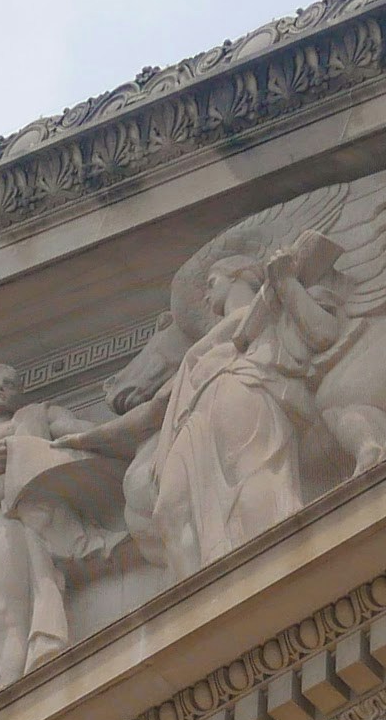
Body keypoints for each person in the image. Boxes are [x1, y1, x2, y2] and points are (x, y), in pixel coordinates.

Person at [0, 361, 143, 695]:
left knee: (4, 614)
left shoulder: (34, 416)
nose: (0, 386)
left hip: (5, 516)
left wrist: (132, 435)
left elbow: (80, 432)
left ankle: (12, 698)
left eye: (10, 382)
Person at [140, 237, 361, 577]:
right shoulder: (232, 326)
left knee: (256, 491)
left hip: (244, 391)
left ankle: (282, 576)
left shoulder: (272, 306)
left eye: (212, 282)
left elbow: (325, 334)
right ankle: (198, 605)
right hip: (196, 418)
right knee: (168, 509)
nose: (206, 294)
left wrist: (286, 283)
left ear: (239, 274)